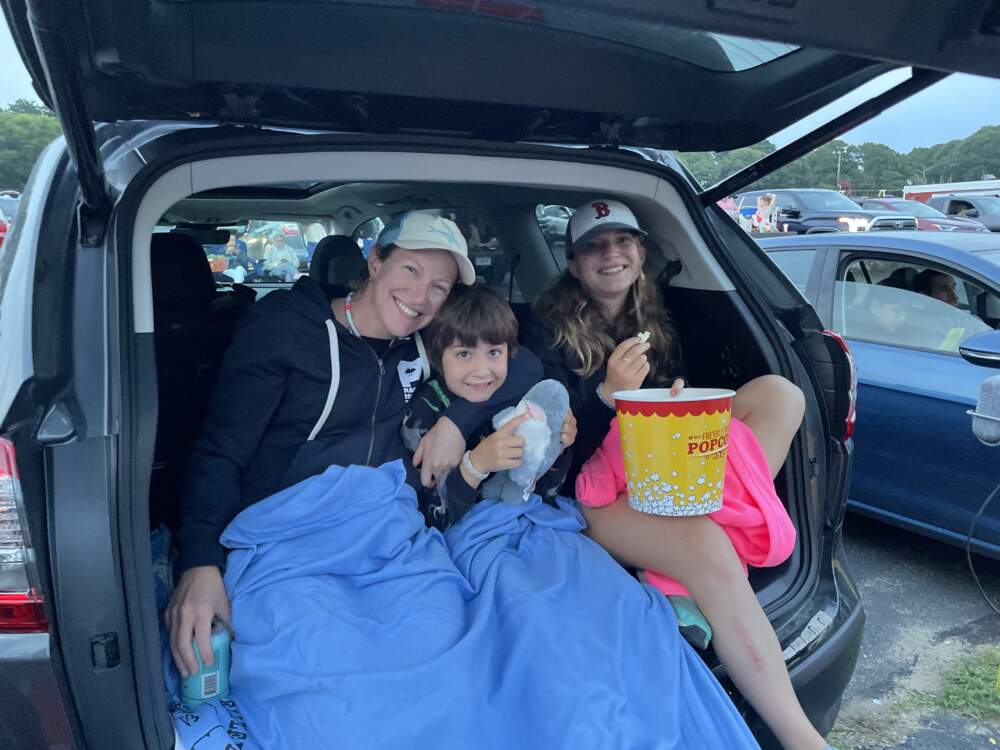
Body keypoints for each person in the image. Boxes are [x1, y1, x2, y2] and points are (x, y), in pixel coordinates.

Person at [166, 211, 543, 677]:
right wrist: (200, 562)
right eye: (411, 270)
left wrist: (454, 422)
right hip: (287, 541)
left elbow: (523, 365)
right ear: (375, 261)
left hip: (389, 540)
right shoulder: (286, 330)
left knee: (449, 652)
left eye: (439, 287)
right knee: (325, 661)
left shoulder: (426, 339)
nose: (420, 296)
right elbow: (221, 450)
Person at [523, 198, 833, 750]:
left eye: (623, 241)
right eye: (594, 245)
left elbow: (675, 408)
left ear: (641, 251)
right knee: (707, 544)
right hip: (583, 495)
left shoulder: (657, 320)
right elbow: (548, 445)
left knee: (780, 395)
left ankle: (708, 542)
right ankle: (802, 739)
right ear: (573, 264)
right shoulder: (542, 332)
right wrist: (605, 396)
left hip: (659, 469)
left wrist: (676, 401)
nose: (610, 254)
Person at [401, 285, 576, 529]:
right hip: (467, 537)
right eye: (463, 354)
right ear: (436, 356)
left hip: (530, 522)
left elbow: (545, 493)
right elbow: (429, 518)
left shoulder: (519, 397)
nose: (482, 371)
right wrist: (476, 466)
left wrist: (556, 449)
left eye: (494, 352)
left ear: (510, 353)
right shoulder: (424, 413)